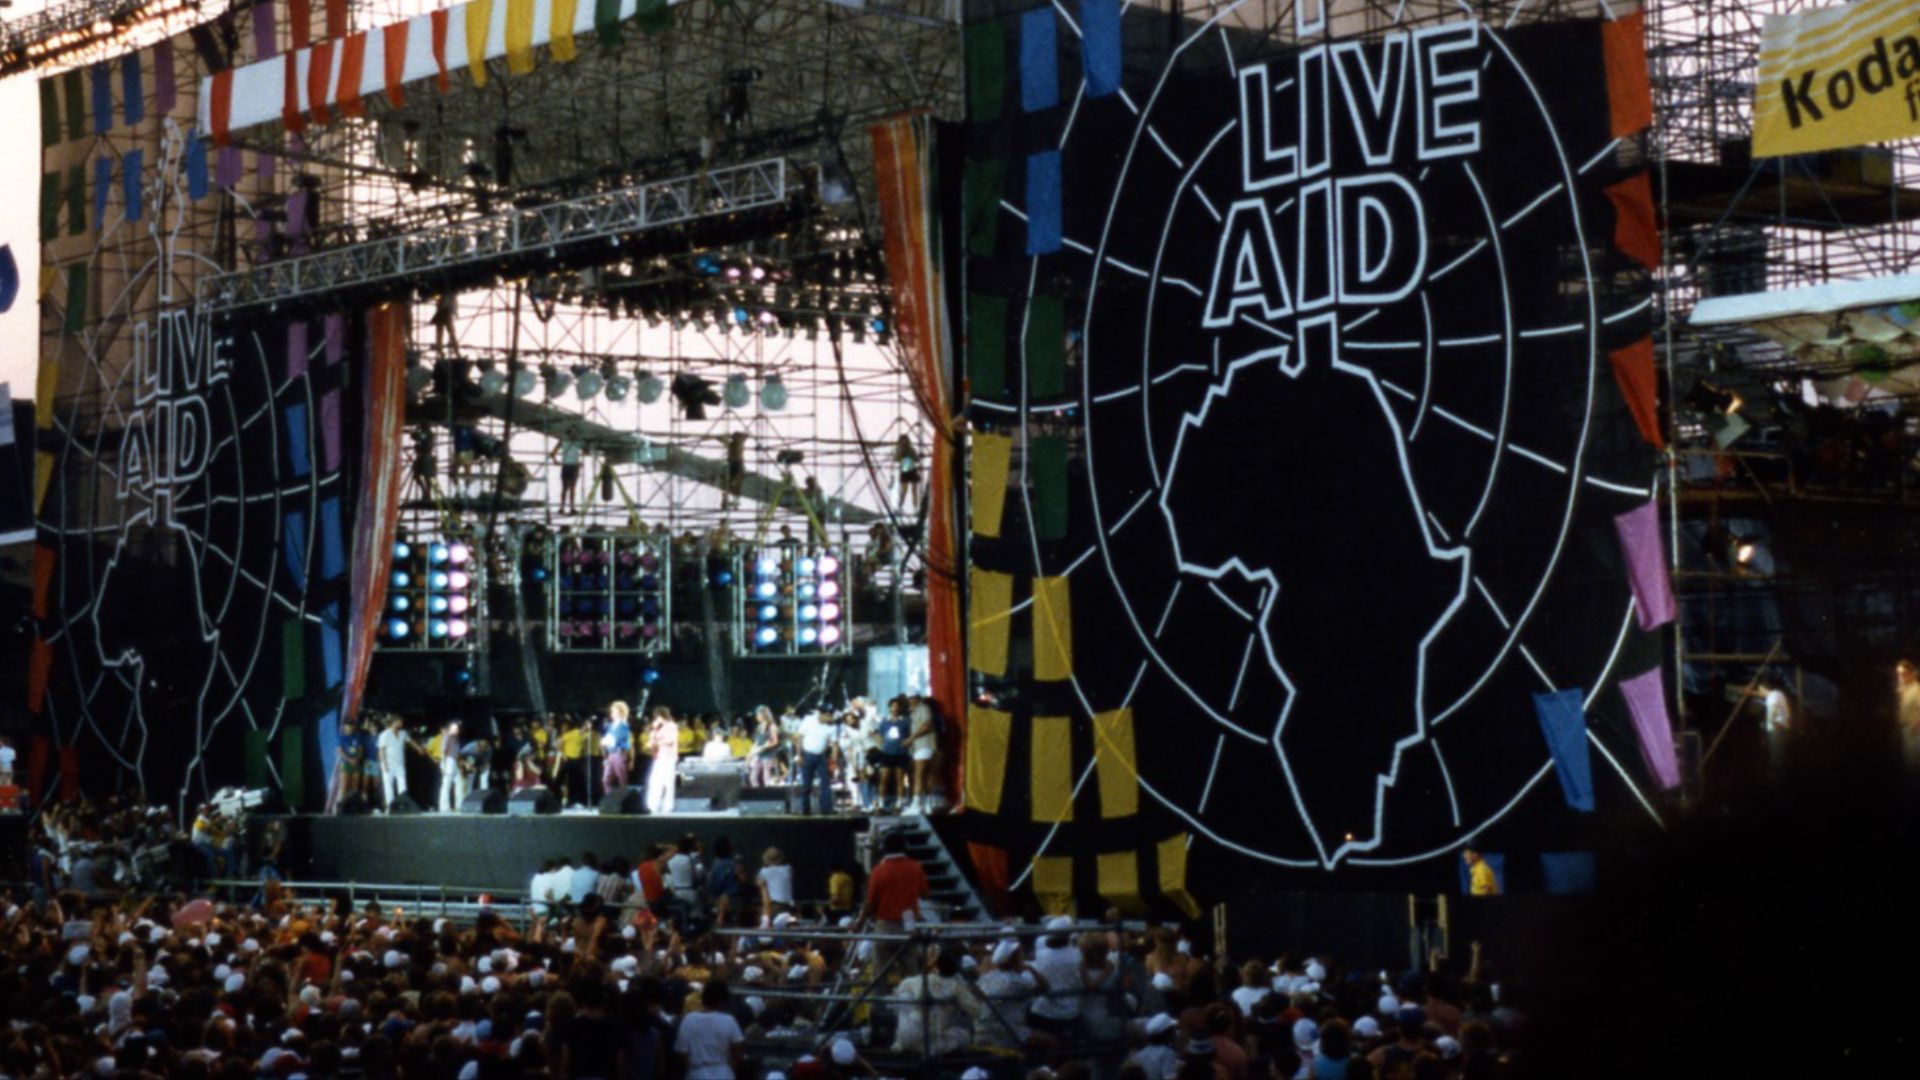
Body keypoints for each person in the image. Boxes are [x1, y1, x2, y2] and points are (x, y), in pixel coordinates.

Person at [673, 980, 746, 1079]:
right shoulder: (729, 1020)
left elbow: (681, 1052)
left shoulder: (689, 1019)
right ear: (723, 1000)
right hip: (723, 1072)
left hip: (696, 1073)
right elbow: (738, 1052)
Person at [796, 709, 835, 815]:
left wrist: (833, 759)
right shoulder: (809, 720)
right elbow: (799, 738)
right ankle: (805, 809)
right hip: (807, 755)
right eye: (827, 715)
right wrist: (799, 755)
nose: (829, 717)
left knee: (825, 782)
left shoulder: (831, 727)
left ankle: (826, 809)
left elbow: (834, 743)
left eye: (830, 715)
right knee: (806, 783)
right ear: (821, 714)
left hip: (821, 757)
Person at [907, 695, 940, 814]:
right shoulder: (914, 712)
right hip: (921, 747)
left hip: (924, 745)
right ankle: (927, 804)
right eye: (909, 698)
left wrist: (911, 738)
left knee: (919, 774)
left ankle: (916, 805)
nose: (910, 701)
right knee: (926, 775)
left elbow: (926, 725)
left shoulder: (924, 709)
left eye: (912, 698)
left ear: (917, 699)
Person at [646, 707, 680, 813]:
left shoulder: (671, 726)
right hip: (658, 757)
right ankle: (652, 805)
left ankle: (668, 806)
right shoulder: (657, 728)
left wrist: (657, 743)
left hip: (668, 757)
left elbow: (670, 740)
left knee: (668, 782)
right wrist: (654, 730)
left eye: (658, 717)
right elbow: (651, 740)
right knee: (654, 781)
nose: (656, 719)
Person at [376, 714, 412, 811]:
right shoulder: (384, 734)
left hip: (399, 763)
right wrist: (384, 763)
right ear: (393, 722)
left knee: (402, 784)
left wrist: (419, 748)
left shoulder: (403, 733)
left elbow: (410, 741)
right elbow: (381, 750)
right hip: (388, 763)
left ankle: (403, 804)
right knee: (389, 785)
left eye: (402, 722)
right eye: (399, 721)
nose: (401, 723)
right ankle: (390, 806)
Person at [437, 720, 468, 812]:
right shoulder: (447, 736)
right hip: (449, 761)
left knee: (458, 782)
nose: (458, 729)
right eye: (456, 728)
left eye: (458, 728)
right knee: (447, 784)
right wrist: (443, 764)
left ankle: (459, 804)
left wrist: (460, 764)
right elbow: (443, 751)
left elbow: (457, 752)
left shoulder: (456, 739)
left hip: (454, 761)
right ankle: (444, 806)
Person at [757, 847, 794, 921]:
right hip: (789, 905)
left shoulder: (764, 872)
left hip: (775, 905)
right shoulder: (788, 869)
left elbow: (759, 883)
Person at [603, 702, 633, 791]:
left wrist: (607, 741)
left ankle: (624, 799)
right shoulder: (611, 726)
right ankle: (609, 799)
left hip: (619, 753)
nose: (611, 713)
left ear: (620, 712)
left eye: (614, 711)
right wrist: (607, 741)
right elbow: (607, 739)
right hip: (611, 754)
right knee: (606, 779)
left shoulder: (623, 725)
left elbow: (615, 740)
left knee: (622, 778)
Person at [1899, 659, 1920, 766]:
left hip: (1912, 731)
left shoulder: (1917, 689)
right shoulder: (1901, 689)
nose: (1901, 677)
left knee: (1912, 764)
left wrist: (1916, 725)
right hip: (1901, 730)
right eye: (1899, 674)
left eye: (1904, 674)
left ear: (1912, 673)